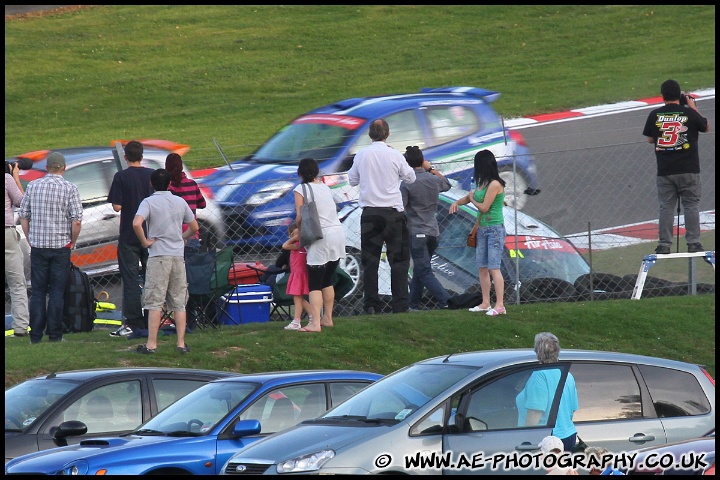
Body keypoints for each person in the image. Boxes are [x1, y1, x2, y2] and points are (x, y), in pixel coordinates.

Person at [348, 119, 416, 314]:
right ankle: (400, 305)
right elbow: (411, 178)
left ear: (370, 134)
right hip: (394, 214)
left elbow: (352, 180)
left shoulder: (362, 155)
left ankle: (371, 304)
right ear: (388, 134)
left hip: (370, 214)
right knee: (399, 261)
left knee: (370, 262)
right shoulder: (395, 155)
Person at [18, 152, 83, 344]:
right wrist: (72, 241)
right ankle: (55, 335)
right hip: (60, 246)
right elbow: (76, 221)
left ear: (47, 167)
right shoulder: (70, 188)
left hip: (38, 245)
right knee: (56, 292)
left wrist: (30, 238)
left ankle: (35, 336)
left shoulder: (34, 186)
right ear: (63, 168)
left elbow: (24, 216)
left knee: (37, 292)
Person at [132, 168, 197, 354]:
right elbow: (194, 226)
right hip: (177, 255)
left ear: (151, 184)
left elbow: (137, 223)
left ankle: (152, 344)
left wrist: (145, 242)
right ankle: (181, 343)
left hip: (158, 255)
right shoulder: (179, 201)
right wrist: (182, 237)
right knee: (179, 300)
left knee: (155, 300)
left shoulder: (149, 202)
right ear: (170, 184)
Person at [642, 79, 710, 255]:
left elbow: (650, 138)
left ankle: (664, 244)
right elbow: (705, 127)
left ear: (663, 96)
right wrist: (692, 107)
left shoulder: (654, 115)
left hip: (665, 170)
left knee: (666, 207)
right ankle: (693, 242)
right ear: (679, 95)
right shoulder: (689, 113)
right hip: (689, 169)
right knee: (691, 206)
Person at [449, 150, 506, 316]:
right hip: (482, 229)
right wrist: (458, 202)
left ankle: (500, 304)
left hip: (494, 229)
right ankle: (486, 302)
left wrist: (472, 198)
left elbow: (484, 207)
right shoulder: (483, 183)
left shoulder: (495, 183)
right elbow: (470, 196)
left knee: (494, 267)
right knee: (482, 267)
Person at [107, 140, 154, 338]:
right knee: (152, 279)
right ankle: (153, 317)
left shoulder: (121, 177)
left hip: (128, 234)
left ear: (125, 157)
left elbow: (116, 206)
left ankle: (133, 321)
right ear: (142, 156)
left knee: (131, 279)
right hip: (150, 232)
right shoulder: (151, 175)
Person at [293, 158, 346, 332]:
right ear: (317, 172)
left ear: (300, 173)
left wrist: (299, 233)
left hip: (320, 236)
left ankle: (315, 323)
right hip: (337, 233)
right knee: (327, 280)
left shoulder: (300, 188)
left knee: (314, 283)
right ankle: (327, 318)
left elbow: (300, 216)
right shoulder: (324, 187)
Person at [400, 145, 451, 310]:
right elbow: (447, 184)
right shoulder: (433, 179)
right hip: (433, 231)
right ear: (422, 161)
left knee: (423, 271)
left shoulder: (407, 183)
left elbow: (401, 206)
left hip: (416, 232)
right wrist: (430, 169)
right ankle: (413, 304)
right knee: (420, 269)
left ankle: (446, 301)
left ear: (406, 163)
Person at [517, 332, 579, 452]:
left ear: (537, 351)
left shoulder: (540, 375)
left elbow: (535, 413)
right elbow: (572, 409)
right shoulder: (567, 375)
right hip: (569, 435)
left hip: (548, 441)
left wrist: (526, 441)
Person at [5, 162, 30, 337]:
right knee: (16, 282)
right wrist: (15, 176)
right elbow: (22, 201)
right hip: (6, 234)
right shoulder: (6, 179)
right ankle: (20, 327)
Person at [165, 152, 206, 253]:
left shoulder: (168, 188)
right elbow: (202, 204)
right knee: (192, 267)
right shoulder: (192, 184)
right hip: (191, 233)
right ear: (181, 166)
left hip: (173, 236)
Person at [281, 222, 312, 331]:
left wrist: (295, 238)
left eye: (297, 235)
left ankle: (296, 321)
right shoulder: (299, 245)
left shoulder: (299, 245)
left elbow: (284, 245)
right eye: (292, 234)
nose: (294, 237)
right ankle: (312, 316)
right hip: (296, 274)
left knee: (298, 298)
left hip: (299, 274)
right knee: (299, 298)